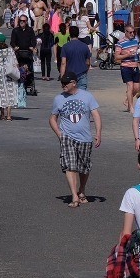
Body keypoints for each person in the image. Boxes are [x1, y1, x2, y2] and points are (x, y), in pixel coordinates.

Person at [48, 73, 102, 208]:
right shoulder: (58, 98)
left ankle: (82, 190)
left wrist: (99, 133)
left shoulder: (87, 96)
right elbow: (52, 118)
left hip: (85, 137)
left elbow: (96, 115)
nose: (63, 85)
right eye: (62, 83)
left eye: (66, 83)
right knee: (70, 165)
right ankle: (74, 195)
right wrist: (59, 134)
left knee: (84, 167)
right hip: (67, 137)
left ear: (74, 83)